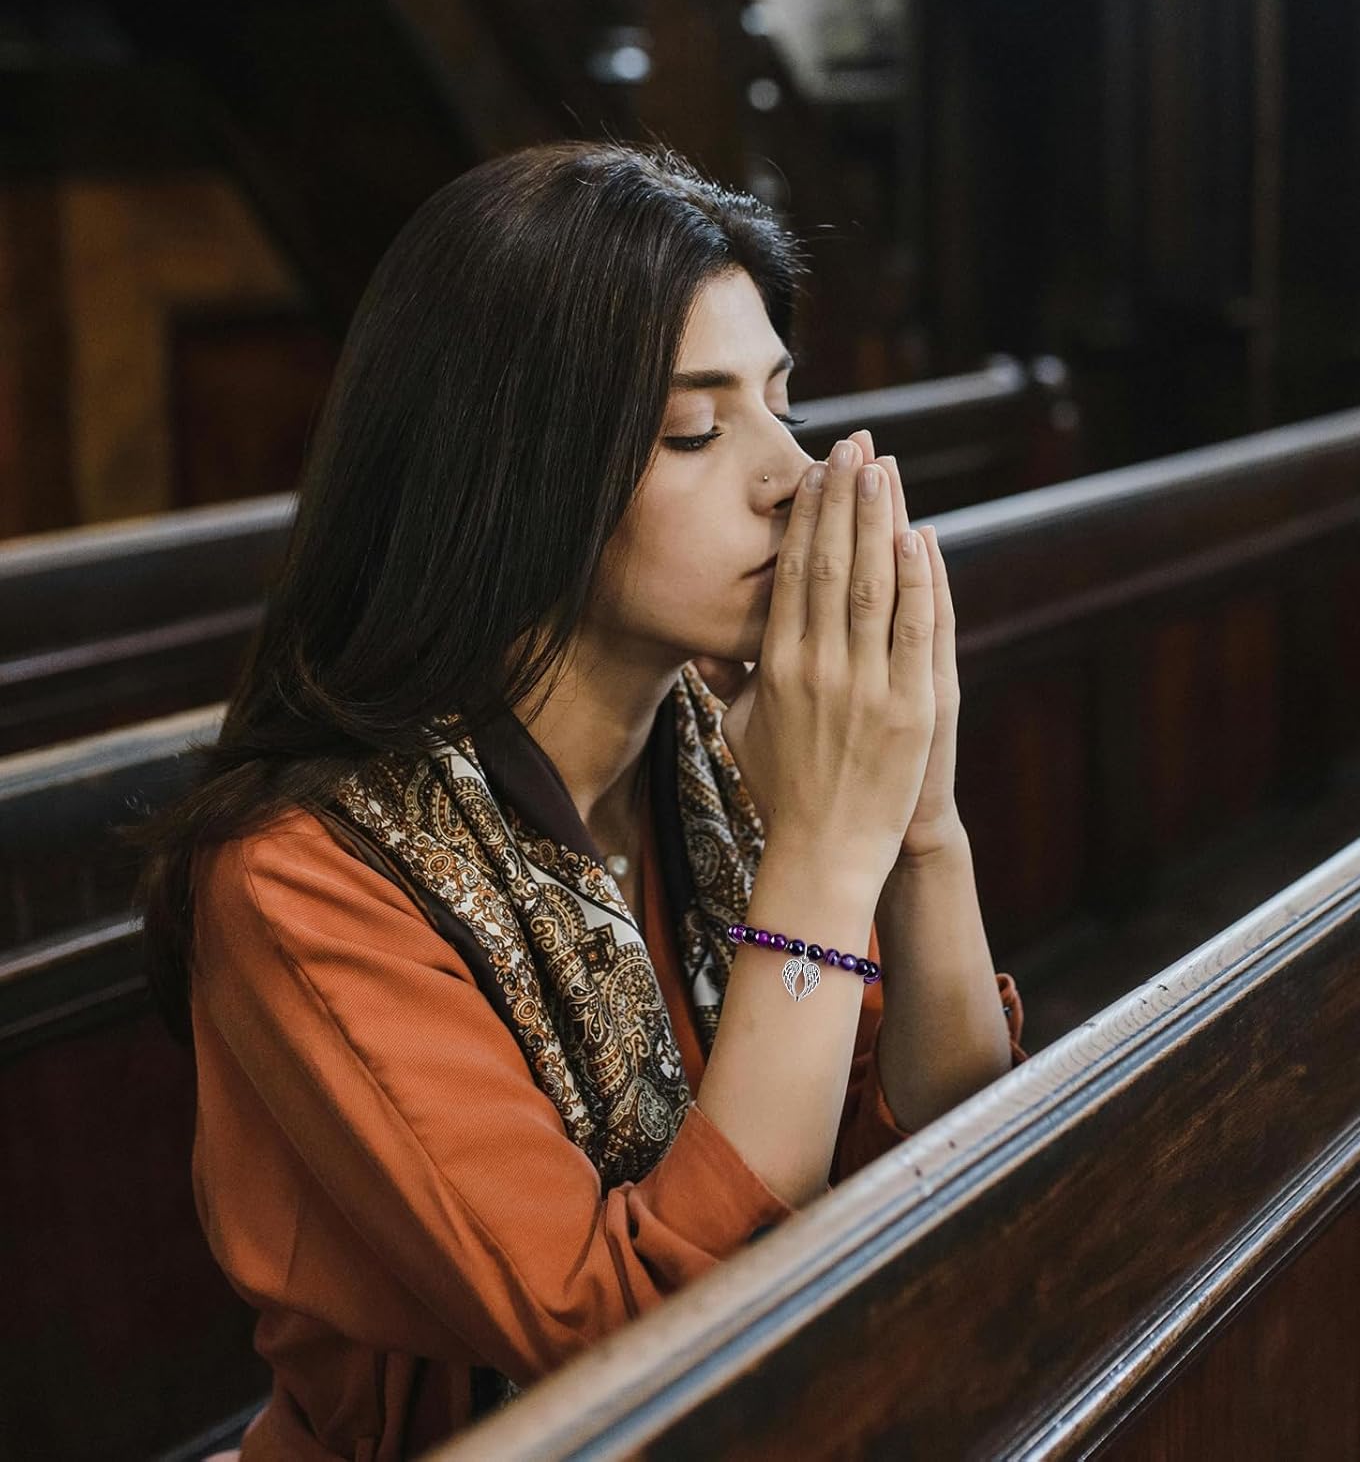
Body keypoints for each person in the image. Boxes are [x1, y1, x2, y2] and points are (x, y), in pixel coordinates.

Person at [131, 139, 1026, 1460]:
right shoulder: (303, 876)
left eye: (783, 401)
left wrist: (922, 823)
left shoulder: (718, 745)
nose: (790, 473)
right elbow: (627, 1343)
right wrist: (830, 858)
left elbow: (940, 1155)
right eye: (696, 429)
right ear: (513, 472)